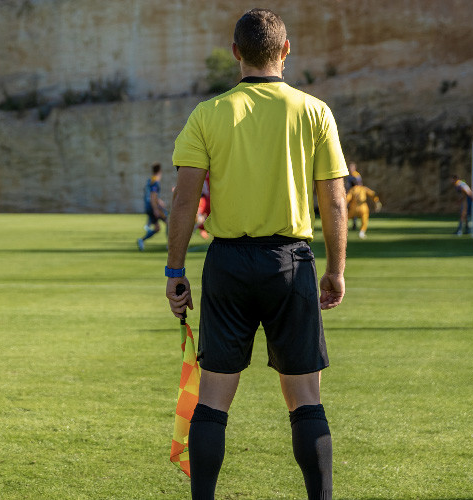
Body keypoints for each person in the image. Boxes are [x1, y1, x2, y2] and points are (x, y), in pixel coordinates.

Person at [165, 9, 348, 500]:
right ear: (286, 52)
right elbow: (333, 198)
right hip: (291, 263)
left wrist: (175, 270)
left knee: (213, 402)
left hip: (226, 264)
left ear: (236, 53)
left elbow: (184, 201)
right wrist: (336, 270)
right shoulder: (314, 111)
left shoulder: (208, 113)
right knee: (306, 400)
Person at [137, 162, 167, 251]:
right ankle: (170, 245)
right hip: (153, 207)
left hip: (148, 206)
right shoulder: (156, 182)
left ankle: (141, 240)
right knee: (169, 223)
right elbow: (153, 196)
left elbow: (150, 194)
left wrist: (159, 200)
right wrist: (156, 208)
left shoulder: (150, 180)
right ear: (160, 171)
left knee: (157, 228)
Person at [344, 163, 363, 230]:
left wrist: (358, 194)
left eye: (351, 167)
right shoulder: (349, 176)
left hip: (354, 195)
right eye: (349, 167)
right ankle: (347, 224)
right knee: (348, 208)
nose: (350, 169)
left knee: (353, 209)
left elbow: (359, 185)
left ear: (354, 168)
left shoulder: (356, 175)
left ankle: (354, 224)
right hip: (349, 194)